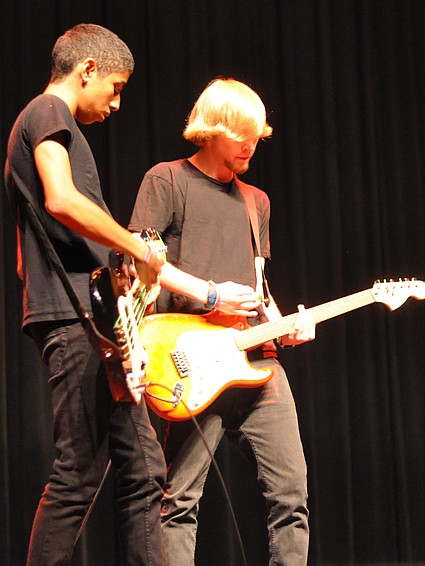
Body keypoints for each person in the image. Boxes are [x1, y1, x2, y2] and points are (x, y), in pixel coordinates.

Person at [128, 78, 315, 565]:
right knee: (179, 501)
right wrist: (209, 294)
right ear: (211, 130)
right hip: (193, 361)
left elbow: (259, 285)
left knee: (291, 498)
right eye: (241, 136)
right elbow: (139, 264)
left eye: (257, 136)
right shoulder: (166, 180)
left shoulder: (258, 201)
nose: (251, 145)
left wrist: (282, 324)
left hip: (258, 359)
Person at [3, 24, 167, 565]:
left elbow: (47, 247)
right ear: (88, 69)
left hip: (92, 321)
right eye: (115, 87)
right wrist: (136, 248)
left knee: (144, 469)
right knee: (77, 475)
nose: (116, 104)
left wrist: (121, 277)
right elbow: (62, 201)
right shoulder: (48, 113)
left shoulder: (46, 123)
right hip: (74, 319)